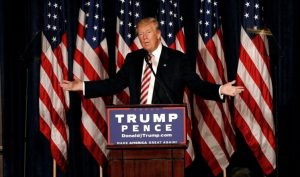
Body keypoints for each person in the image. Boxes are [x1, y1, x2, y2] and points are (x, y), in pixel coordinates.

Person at [60, 17, 244, 104]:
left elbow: (197, 85)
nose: (144, 37)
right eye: (140, 34)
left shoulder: (177, 60)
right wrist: (82, 86)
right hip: (138, 129)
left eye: (148, 32)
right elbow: (114, 84)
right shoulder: (133, 59)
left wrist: (220, 89)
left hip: (168, 127)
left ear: (158, 34)